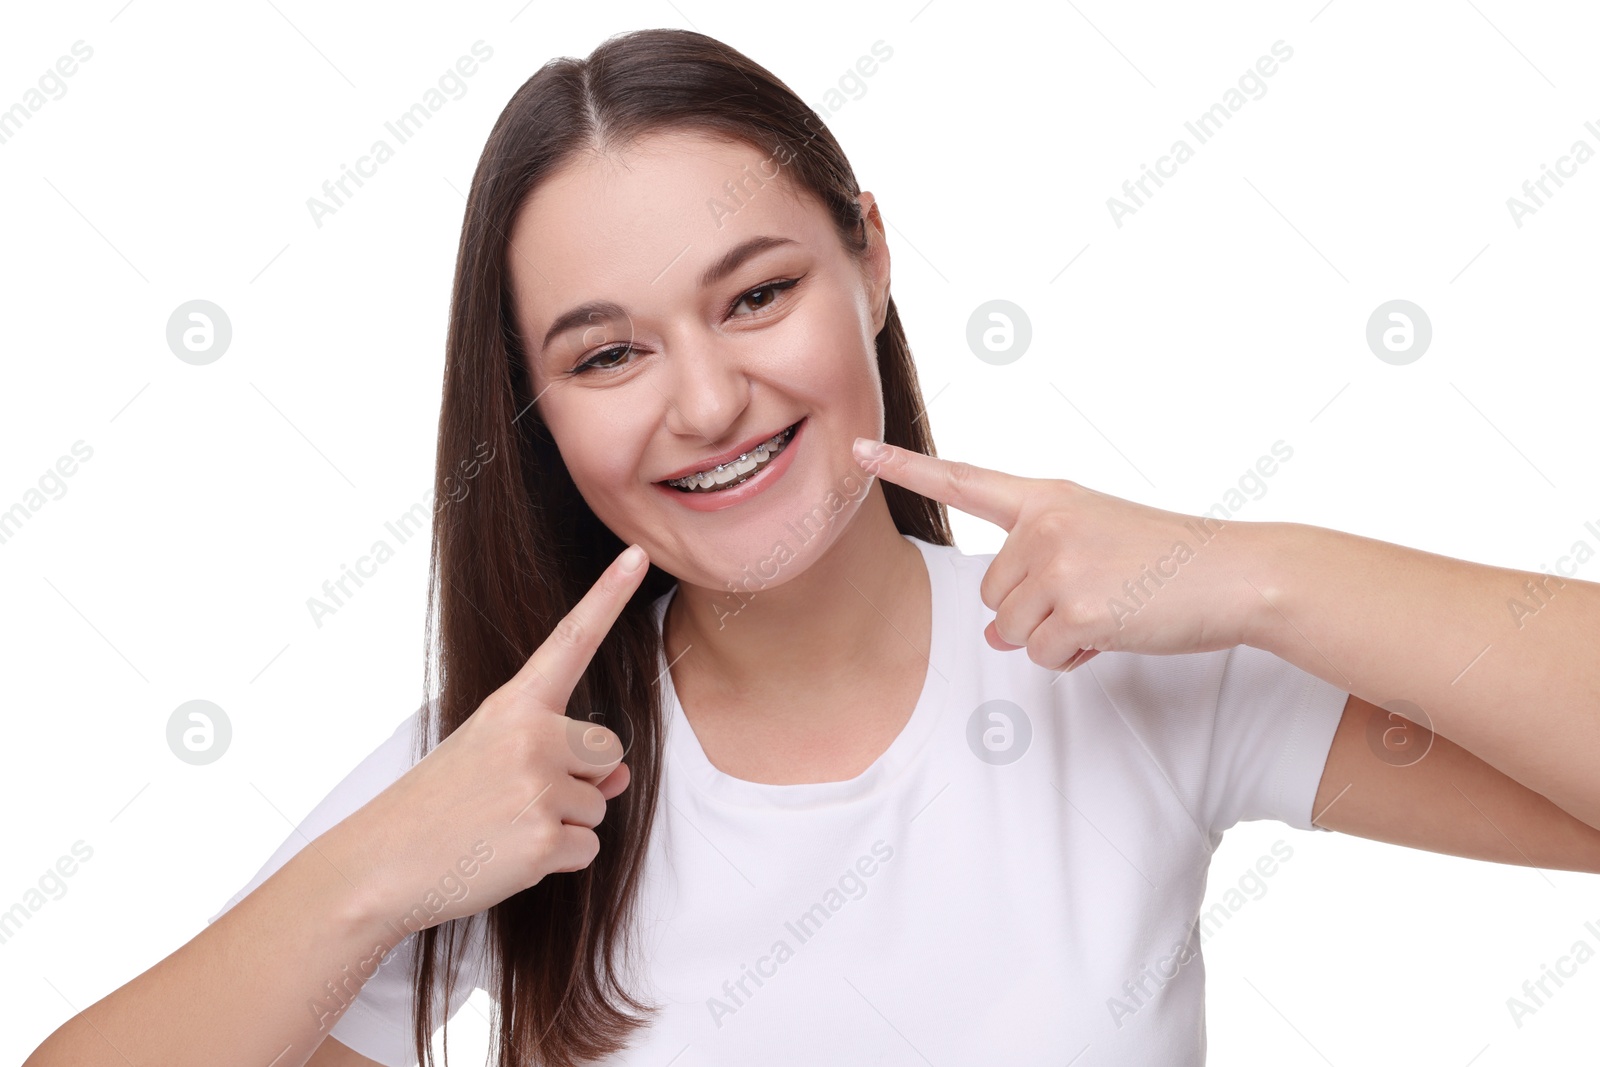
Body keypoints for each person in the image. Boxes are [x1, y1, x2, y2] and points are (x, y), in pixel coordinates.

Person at [25, 25, 1600, 1067]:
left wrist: (1252, 573)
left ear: (871, 256)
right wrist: (373, 872)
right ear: (541, 414)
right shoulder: (507, 773)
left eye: (757, 293)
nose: (707, 402)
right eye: (605, 354)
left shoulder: (1122, 662)